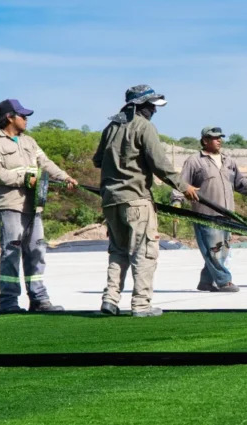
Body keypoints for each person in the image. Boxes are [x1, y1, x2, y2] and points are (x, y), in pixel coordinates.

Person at [92, 85, 199, 318]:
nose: (154, 110)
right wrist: (184, 187)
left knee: (118, 251)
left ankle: (110, 300)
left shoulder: (111, 127)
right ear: (140, 105)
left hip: (111, 201)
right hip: (137, 201)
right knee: (145, 252)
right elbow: (160, 166)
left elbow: (97, 160)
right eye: (151, 106)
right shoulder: (144, 127)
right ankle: (141, 305)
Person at [0, 99, 78, 313]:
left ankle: (39, 300)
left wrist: (65, 177)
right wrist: (25, 178)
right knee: (11, 252)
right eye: (22, 116)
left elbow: (46, 163)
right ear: (9, 117)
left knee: (36, 251)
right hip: (9, 205)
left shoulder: (29, 142)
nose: (26, 119)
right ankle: (8, 302)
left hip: (33, 206)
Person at [171, 126, 247, 292]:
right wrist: (177, 202)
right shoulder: (195, 161)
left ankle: (205, 281)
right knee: (214, 250)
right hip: (205, 214)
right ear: (205, 140)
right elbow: (181, 183)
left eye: (220, 137)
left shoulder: (228, 161)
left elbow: (241, 183)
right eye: (214, 137)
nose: (219, 140)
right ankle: (224, 281)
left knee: (221, 250)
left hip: (226, 214)